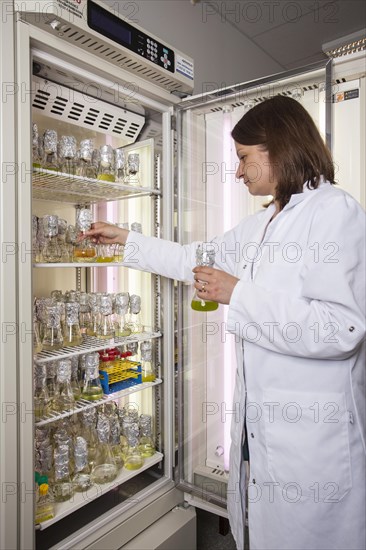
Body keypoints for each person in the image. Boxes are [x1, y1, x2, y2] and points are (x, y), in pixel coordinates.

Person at [82, 96, 366, 550]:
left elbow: (340, 329)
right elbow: (196, 259)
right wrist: (126, 239)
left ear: (278, 146)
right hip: (264, 433)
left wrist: (239, 293)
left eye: (243, 158)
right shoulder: (263, 224)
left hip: (312, 441)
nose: (237, 172)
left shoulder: (335, 213)